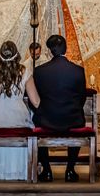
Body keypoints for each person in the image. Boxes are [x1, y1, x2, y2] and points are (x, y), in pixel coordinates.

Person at [33, 34, 87, 183]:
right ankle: (70, 170)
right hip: (73, 119)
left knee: (36, 123)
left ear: (50, 51)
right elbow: (82, 97)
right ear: (66, 48)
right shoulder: (78, 70)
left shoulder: (40, 71)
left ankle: (47, 170)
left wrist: (43, 110)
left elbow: (35, 99)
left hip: (46, 120)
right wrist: (72, 110)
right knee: (79, 122)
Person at [0, 41, 40, 180]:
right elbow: (36, 101)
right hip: (17, 115)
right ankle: (18, 171)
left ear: (0, 55)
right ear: (17, 54)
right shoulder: (24, 71)